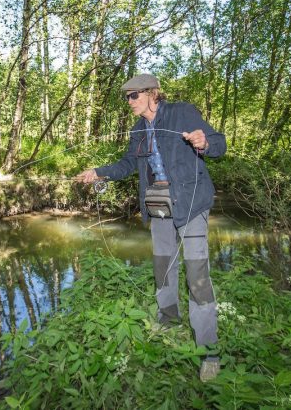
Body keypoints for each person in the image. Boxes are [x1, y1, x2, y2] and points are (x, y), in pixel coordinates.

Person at [75, 73, 226, 382]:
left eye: (133, 95)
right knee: (163, 266)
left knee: (197, 273)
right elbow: (128, 164)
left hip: (191, 201)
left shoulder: (182, 111)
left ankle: (209, 351)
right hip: (158, 204)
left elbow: (219, 144)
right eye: (126, 97)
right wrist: (98, 172)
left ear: (152, 92)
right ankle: (168, 320)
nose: (129, 101)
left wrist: (204, 141)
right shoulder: (137, 129)